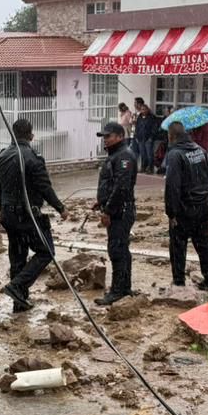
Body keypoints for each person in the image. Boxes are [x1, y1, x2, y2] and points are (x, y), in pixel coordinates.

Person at [0, 119, 68, 312]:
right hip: (27, 215)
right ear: (31, 136)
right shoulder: (33, 157)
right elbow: (44, 187)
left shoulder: (1, 157)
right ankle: (17, 286)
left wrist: (2, 207)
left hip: (8, 216)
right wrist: (60, 208)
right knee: (46, 251)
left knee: (17, 257)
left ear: (12, 135)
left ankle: (19, 303)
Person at [163, 121, 208, 291]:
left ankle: (178, 282)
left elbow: (172, 186)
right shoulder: (200, 150)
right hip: (203, 205)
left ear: (171, 136)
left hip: (185, 208)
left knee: (178, 246)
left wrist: (171, 213)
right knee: (203, 243)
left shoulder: (175, 155)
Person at [93, 121, 138, 305]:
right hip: (117, 208)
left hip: (121, 211)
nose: (105, 140)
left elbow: (122, 187)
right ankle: (124, 287)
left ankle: (118, 290)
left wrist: (108, 210)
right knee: (121, 249)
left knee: (117, 250)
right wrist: (101, 201)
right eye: (104, 137)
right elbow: (112, 183)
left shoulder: (124, 156)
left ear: (120, 136)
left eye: (108, 136)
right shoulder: (116, 155)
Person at [133, 103, 158, 174]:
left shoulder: (152, 117)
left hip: (148, 138)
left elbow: (154, 129)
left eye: (144, 109)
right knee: (143, 154)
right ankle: (143, 167)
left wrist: (151, 138)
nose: (142, 111)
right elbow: (137, 127)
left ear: (147, 109)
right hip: (140, 138)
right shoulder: (139, 117)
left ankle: (150, 168)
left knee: (149, 154)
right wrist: (137, 137)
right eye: (141, 109)